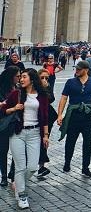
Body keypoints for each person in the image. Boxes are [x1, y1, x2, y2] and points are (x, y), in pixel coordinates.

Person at [3, 69, 50, 209]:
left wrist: (45, 136)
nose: (21, 79)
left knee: (32, 167)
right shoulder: (16, 94)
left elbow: (45, 117)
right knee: (20, 167)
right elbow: (3, 110)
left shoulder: (42, 96)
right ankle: (22, 195)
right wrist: (13, 108)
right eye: (20, 77)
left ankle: (17, 184)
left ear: (32, 79)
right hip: (18, 133)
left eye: (24, 77)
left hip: (35, 134)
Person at [56, 60, 91, 177]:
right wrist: (60, 114)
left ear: (86, 70)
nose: (76, 71)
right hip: (73, 116)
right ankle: (67, 162)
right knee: (70, 141)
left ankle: (85, 167)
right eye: (76, 69)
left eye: (79, 69)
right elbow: (63, 98)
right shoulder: (70, 82)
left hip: (88, 117)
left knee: (87, 143)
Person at [0, 66, 20, 187]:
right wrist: (11, 108)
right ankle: (3, 176)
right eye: (17, 76)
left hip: (17, 123)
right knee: (3, 151)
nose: (19, 78)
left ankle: (12, 173)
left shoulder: (19, 88)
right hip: (4, 124)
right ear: (10, 76)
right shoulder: (1, 90)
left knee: (17, 150)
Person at [36, 69, 57, 180]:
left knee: (44, 142)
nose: (45, 80)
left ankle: (41, 167)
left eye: (46, 78)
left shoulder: (47, 86)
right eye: (42, 77)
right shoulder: (33, 88)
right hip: (36, 119)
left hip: (47, 119)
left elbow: (51, 99)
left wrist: (45, 88)